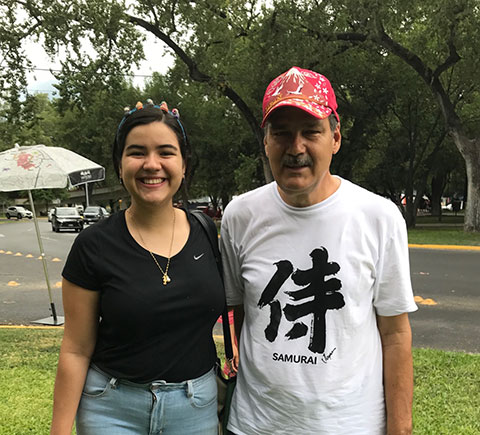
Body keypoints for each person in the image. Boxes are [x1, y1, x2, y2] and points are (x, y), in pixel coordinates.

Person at [220, 66, 418, 435]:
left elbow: (395, 333)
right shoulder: (239, 216)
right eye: (281, 134)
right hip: (255, 425)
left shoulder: (378, 216)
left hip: (352, 425)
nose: (296, 148)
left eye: (311, 132)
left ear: (335, 138)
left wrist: (400, 428)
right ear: (266, 142)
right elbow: (238, 313)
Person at [51, 100, 225, 434]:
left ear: (184, 163)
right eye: (136, 152)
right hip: (111, 409)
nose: (151, 164)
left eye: (165, 151)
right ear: (119, 165)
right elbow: (75, 349)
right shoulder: (93, 245)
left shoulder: (208, 233)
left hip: (195, 409)